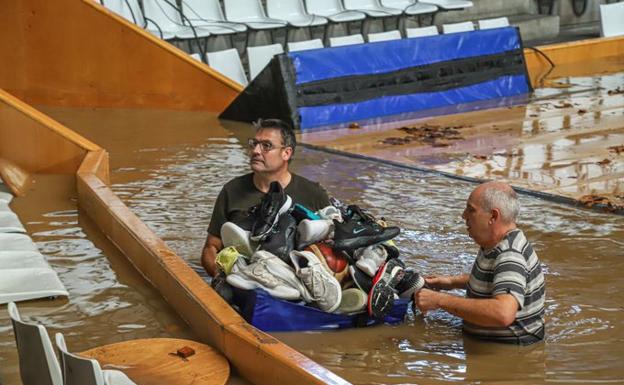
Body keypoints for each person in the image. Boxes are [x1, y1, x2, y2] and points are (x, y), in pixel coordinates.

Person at [414, 181, 545, 345]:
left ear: (493, 216)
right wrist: (450, 282)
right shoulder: (499, 243)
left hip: (505, 354)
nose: (464, 216)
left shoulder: (509, 255)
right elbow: (496, 281)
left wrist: (440, 300)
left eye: (471, 210)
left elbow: (503, 313)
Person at [201, 118, 330, 277]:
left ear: (286, 153)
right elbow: (210, 247)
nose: (255, 150)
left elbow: (331, 245)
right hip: (240, 278)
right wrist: (223, 278)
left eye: (266, 146)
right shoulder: (232, 190)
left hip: (295, 278)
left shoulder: (313, 193)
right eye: (254, 143)